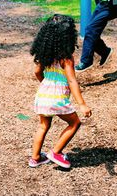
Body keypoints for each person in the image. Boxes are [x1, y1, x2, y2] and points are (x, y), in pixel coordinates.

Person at [29, 14, 92, 169]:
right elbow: (72, 81)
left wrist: (46, 85)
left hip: (42, 95)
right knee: (74, 123)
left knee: (43, 125)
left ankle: (35, 158)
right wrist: (82, 104)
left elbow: (37, 72)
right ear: (68, 36)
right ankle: (56, 152)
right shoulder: (66, 59)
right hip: (57, 99)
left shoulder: (44, 55)